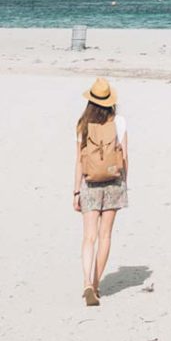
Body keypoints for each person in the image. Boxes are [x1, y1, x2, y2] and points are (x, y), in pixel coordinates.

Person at [73, 76, 130, 306]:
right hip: (113, 182)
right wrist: (124, 184)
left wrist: (76, 191)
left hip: (89, 182)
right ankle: (96, 285)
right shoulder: (120, 122)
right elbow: (125, 157)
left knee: (89, 237)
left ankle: (87, 281)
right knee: (105, 235)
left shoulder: (82, 125)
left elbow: (79, 160)